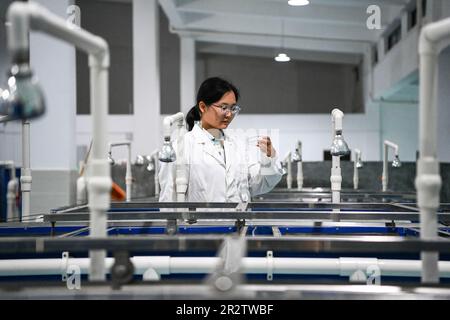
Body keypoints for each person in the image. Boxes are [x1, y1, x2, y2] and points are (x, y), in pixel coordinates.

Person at [158, 77, 284, 202]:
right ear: (203, 107)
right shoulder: (181, 147)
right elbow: (168, 198)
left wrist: (269, 158)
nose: (229, 114)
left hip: (238, 221)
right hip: (202, 222)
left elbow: (261, 184)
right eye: (224, 108)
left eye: (233, 108)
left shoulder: (238, 145)